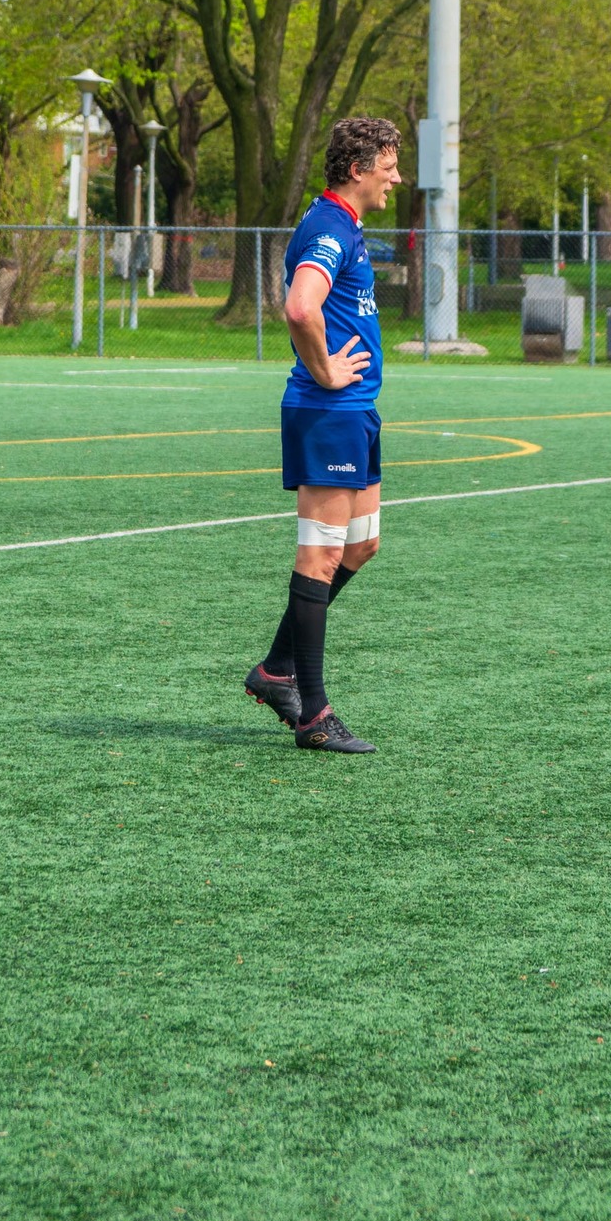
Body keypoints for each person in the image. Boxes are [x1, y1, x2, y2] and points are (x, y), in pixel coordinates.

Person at [244, 116, 401, 753]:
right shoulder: (330, 228)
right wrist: (323, 368)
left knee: (361, 547)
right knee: (321, 556)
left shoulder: (343, 223)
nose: (396, 175)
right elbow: (300, 307)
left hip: (355, 414)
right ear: (359, 168)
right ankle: (311, 711)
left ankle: (276, 668)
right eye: (389, 163)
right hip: (328, 413)